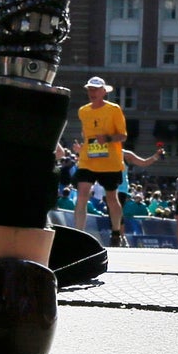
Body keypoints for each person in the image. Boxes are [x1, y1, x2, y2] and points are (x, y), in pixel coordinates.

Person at [73, 76, 128, 246]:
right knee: (82, 194)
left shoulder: (114, 109)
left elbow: (123, 135)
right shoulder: (83, 111)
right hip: (88, 160)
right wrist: (82, 147)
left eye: (96, 89)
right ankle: (78, 234)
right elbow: (86, 133)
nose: (92, 92)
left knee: (111, 197)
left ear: (104, 92)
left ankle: (116, 232)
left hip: (110, 161)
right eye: (90, 89)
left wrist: (108, 138)